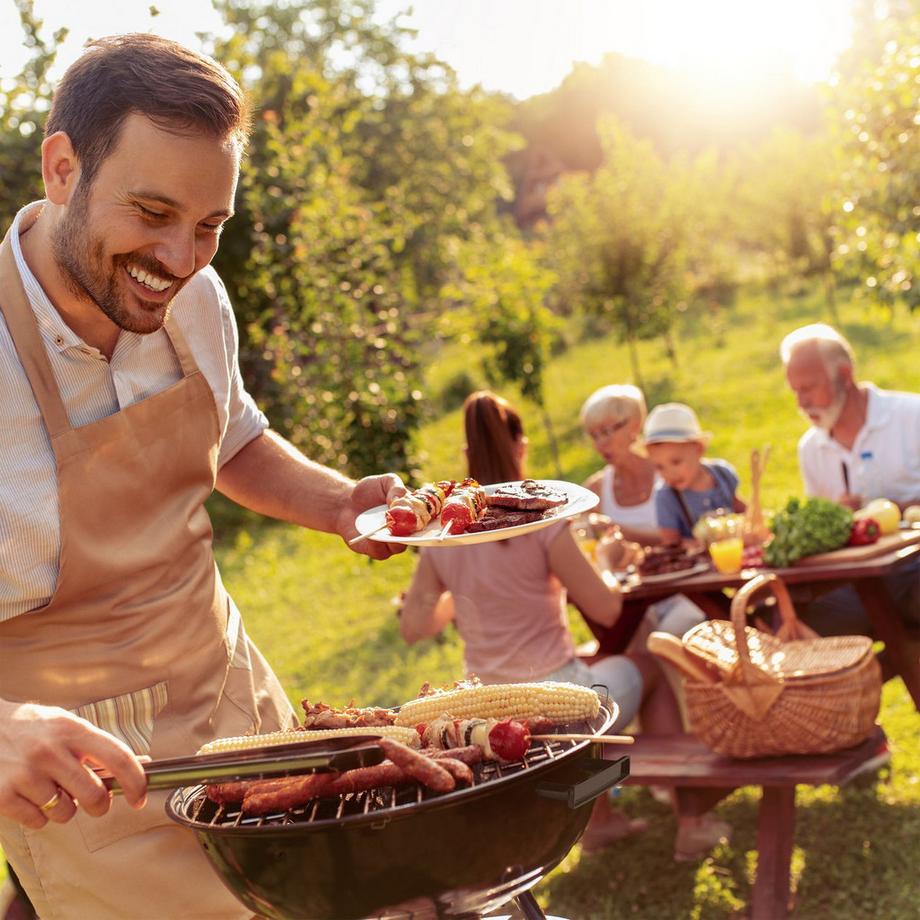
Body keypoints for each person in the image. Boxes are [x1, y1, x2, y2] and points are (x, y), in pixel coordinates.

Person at [0, 35, 405, 920]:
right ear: (64, 167)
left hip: (233, 698)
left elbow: (234, 438)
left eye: (209, 227)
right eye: (151, 213)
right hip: (90, 783)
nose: (181, 260)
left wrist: (337, 502)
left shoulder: (193, 300)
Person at [399, 391, 727, 859]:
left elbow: (414, 627)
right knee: (647, 668)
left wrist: (463, 594)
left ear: (468, 454)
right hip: (555, 701)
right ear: (519, 448)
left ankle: (602, 824)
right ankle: (690, 821)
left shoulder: (442, 538)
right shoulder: (541, 522)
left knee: (603, 662)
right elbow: (608, 609)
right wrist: (611, 561)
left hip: (483, 710)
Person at [780, 323, 920, 636]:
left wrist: (902, 507)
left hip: (914, 570)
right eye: (795, 391)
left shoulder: (912, 416)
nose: (801, 403)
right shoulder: (811, 448)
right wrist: (838, 521)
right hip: (857, 586)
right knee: (781, 624)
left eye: (808, 388)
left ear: (844, 375)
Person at [642, 403, 746, 545]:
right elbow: (671, 542)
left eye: (676, 462)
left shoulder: (722, 474)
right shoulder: (666, 496)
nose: (670, 473)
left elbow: (739, 508)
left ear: (698, 450)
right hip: (698, 564)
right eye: (660, 467)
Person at [580, 384, 661, 545]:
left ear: (635, 425)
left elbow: (682, 538)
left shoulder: (667, 472)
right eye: (594, 436)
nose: (600, 444)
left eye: (606, 432)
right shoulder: (594, 492)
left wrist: (615, 529)